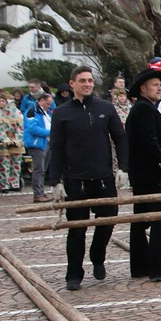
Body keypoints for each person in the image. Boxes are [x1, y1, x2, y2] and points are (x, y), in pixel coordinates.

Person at [47, 66, 129, 290]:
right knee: (76, 229)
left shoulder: (105, 107)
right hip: (76, 180)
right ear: (72, 83)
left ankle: (97, 254)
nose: (87, 84)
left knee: (108, 221)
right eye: (82, 80)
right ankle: (74, 273)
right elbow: (56, 147)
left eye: (90, 80)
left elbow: (120, 138)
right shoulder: (61, 113)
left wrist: (123, 168)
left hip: (103, 178)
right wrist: (56, 181)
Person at [124, 68, 161, 281]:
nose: (160, 89)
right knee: (160, 222)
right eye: (155, 85)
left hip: (144, 175)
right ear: (143, 88)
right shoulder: (143, 109)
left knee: (140, 221)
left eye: (160, 85)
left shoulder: (144, 108)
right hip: (152, 176)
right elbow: (150, 142)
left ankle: (140, 266)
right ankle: (157, 268)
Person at [0, 96, 24, 192]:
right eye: (0, 100)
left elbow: (20, 127)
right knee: (4, 164)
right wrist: (5, 139)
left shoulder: (17, 113)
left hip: (16, 140)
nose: (1, 103)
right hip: (3, 141)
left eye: (3, 101)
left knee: (16, 163)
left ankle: (15, 183)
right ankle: (4, 184)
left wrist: (17, 140)